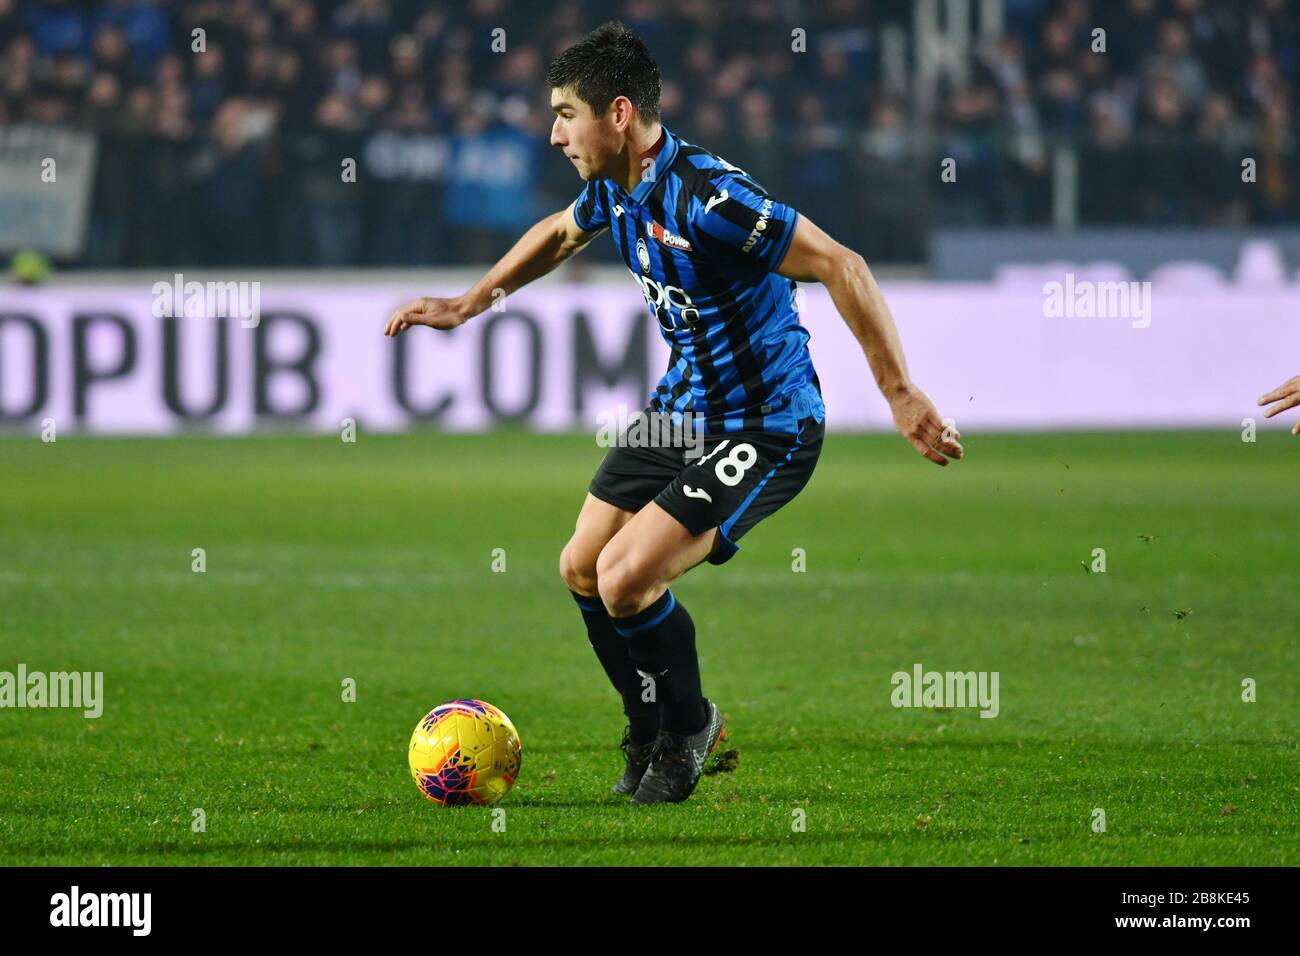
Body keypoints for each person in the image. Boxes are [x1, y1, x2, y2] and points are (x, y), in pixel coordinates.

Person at [384, 22, 962, 804]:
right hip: (682, 408)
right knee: (582, 567)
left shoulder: (711, 198)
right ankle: (650, 727)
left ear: (618, 114)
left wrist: (898, 389)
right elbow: (559, 234)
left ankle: (691, 730)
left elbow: (840, 264)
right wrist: (468, 303)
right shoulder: (614, 189)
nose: (554, 135)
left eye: (565, 114)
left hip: (766, 423)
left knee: (626, 579)